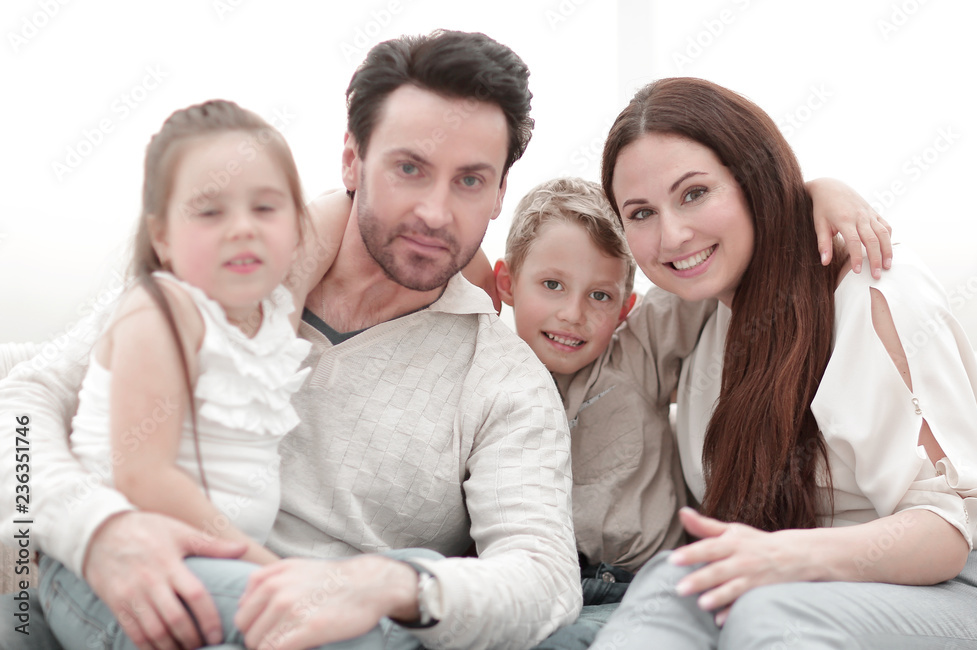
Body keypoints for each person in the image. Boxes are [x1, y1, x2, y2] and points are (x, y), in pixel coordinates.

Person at [0, 30, 582, 650]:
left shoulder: (501, 379)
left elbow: (546, 579)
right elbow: (23, 404)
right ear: (352, 160)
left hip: (336, 626)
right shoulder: (233, 269)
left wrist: (397, 586)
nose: (436, 212)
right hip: (147, 589)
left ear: (498, 195)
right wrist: (94, 530)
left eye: (470, 181)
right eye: (409, 168)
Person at [589, 77, 977, 648]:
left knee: (767, 614)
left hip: (956, 588)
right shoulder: (697, 318)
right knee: (668, 580)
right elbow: (577, 358)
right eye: (640, 213)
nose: (672, 235)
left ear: (752, 182)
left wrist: (777, 557)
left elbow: (945, 534)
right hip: (792, 584)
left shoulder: (873, 292)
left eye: (694, 193)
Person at [491, 177, 890, 650]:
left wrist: (814, 194)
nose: (572, 313)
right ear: (507, 283)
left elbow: (721, 259)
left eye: (599, 295)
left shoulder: (636, 354)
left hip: (638, 587)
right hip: (534, 585)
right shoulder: (487, 381)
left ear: (625, 308)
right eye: (552, 285)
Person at [35, 98, 328, 649]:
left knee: (405, 572)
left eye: (266, 208)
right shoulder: (163, 310)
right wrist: (271, 566)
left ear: (296, 228)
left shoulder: (270, 319)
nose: (242, 228)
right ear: (163, 237)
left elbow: (344, 218)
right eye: (209, 211)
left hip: (213, 567)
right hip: (118, 573)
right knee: (327, 624)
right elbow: (144, 477)